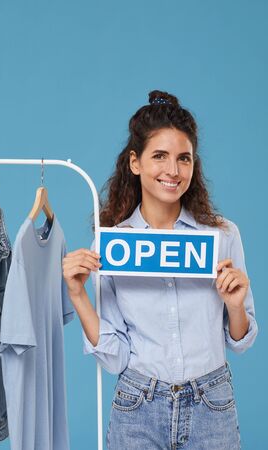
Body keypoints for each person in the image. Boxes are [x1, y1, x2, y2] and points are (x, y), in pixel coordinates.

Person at [62, 90, 258, 450]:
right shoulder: (112, 246)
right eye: (160, 156)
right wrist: (77, 294)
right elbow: (116, 356)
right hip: (138, 406)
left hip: (211, 404)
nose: (173, 170)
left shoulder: (223, 235)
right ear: (135, 163)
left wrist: (234, 304)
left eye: (184, 158)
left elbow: (240, 341)